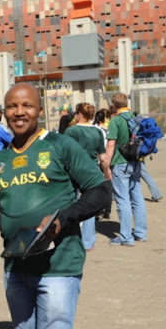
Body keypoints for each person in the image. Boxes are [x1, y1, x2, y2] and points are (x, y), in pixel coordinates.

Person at [0, 83, 111, 329]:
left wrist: (62, 219)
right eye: (12, 106)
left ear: (40, 110)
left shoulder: (60, 145)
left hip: (59, 267)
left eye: (27, 106)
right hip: (16, 269)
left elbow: (100, 191)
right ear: (4, 112)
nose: (19, 113)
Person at [64, 102, 111, 252]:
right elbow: (102, 157)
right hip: (91, 171)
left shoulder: (71, 131)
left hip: (73, 170)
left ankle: (71, 237)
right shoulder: (97, 132)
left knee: (71, 202)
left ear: (79, 114)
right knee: (89, 204)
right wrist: (106, 171)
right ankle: (88, 241)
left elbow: (63, 152)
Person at [107, 93, 148, 246]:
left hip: (120, 163)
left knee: (122, 199)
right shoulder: (136, 117)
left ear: (114, 105)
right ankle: (140, 232)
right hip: (136, 162)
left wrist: (106, 164)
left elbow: (111, 145)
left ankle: (125, 237)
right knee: (137, 196)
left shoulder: (115, 120)